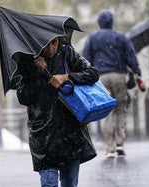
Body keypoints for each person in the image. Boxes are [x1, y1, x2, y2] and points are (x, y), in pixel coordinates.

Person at [16, 36, 99, 186]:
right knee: (48, 183)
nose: (51, 48)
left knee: (69, 183)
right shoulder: (28, 61)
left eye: (55, 42)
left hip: (70, 131)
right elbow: (23, 97)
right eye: (47, 44)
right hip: (43, 134)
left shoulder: (67, 53)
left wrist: (68, 77)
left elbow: (93, 73)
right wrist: (37, 73)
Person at [82, 10, 146, 158]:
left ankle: (109, 147)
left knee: (106, 112)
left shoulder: (92, 38)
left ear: (99, 23)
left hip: (101, 77)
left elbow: (86, 59)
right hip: (119, 75)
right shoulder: (121, 37)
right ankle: (120, 144)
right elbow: (131, 57)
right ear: (112, 22)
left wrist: (85, 76)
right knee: (121, 109)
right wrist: (137, 74)